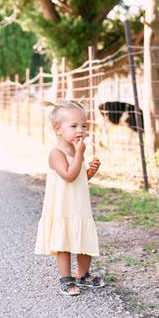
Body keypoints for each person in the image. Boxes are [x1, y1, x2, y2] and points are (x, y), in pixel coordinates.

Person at [35, 100, 103, 296]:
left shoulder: (76, 151)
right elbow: (69, 175)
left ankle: (83, 274)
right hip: (63, 208)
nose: (80, 130)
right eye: (73, 126)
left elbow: (79, 179)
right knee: (63, 242)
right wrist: (81, 155)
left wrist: (90, 171)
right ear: (57, 129)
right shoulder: (56, 153)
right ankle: (65, 278)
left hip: (79, 206)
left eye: (84, 126)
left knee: (83, 241)